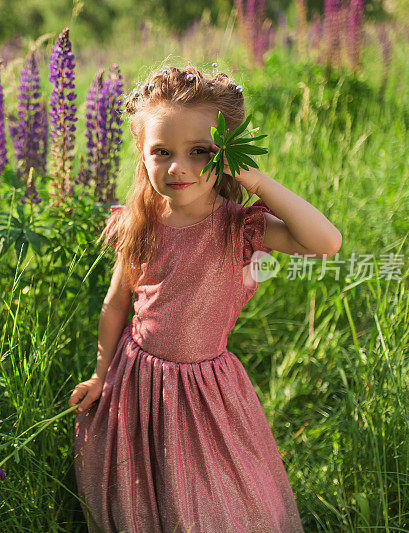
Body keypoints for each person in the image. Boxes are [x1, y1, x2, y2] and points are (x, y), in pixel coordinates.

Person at [68, 63, 342, 532]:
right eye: (161, 151)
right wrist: (99, 374)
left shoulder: (238, 226)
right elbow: (116, 304)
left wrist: (258, 183)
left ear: (228, 155)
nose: (179, 167)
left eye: (201, 151)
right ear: (142, 153)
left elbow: (326, 242)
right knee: (143, 480)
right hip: (136, 376)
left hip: (205, 389)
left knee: (213, 491)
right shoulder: (141, 221)